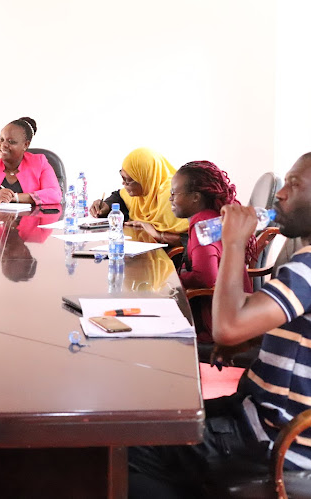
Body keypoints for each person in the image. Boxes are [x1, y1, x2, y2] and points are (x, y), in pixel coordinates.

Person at [129, 153, 311, 498]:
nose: (281, 193)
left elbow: (227, 327)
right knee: (152, 421)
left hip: (271, 442)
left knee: (126, 448)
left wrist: (232, 242)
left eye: (295, 184)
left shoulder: (308, 267)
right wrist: (251, 340)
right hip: (255, 414)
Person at [169, 161, 255, 342]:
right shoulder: (212, 217)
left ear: (195, 197)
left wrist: (170, 278)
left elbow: (205, 277)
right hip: (235, 313)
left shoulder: (205, 225)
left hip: (217, 323)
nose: (170, 199)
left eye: (174, 193)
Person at [89, 147, 188, 245]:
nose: (123, 183)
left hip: (170, 257)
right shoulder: (144, 192)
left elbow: (192, 238)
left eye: (127, 180)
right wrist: (106, 206)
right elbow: (120, 197)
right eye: (122, 176)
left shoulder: (173, 198)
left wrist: (159, 235)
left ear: (145, 178)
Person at [0, 117, 62, 206]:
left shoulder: (39, 162)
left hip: (32, 224)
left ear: (25, 145)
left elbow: (55, 194)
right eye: (1, 139)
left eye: (11, 142)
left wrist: (14, 197)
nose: (3, 145)